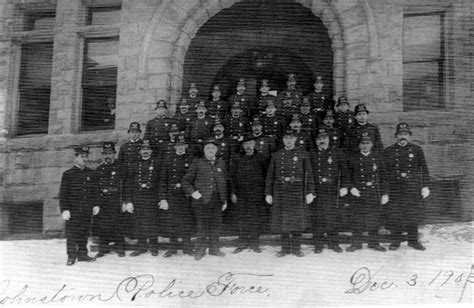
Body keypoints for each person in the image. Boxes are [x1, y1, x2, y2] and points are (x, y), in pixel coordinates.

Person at [265, 129, 315, 257]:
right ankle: (285, 249)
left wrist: (310, 192)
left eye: (291, 138)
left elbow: (308, 174)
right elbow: (270, 175)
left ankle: (296, 248)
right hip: (281, 189)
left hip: (297, 190)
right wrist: (268, 193)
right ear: (283, 140)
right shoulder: (277, 155)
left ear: (295, 139)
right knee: (283, 220)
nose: (288, 140)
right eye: (286, 138)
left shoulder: (303, 154)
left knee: (297, 220)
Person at [383, 122, 430, 251]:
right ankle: (395, 241)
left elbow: (424, 169)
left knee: (412, 215)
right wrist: (385, 191)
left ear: (409, 136)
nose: (402, 136)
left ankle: (413, 240)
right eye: (400, 134)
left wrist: (425, 186)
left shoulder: (416, 150)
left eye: (405, 134)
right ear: (396, 136)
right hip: (395, 188)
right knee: (395, 215)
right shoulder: (388, 151)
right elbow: (384, 173)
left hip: (412, 188)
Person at [183, 138, 228, 260]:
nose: (210, 150)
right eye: (208, 148)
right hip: (202, 201)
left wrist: (224, 200)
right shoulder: (197, 162)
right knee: (202, 226)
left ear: (217, 150)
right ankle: (200, 251)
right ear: (204, 150)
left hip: (217, 200)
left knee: (216, 226)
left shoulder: (221, 163)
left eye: (213, 148)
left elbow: (224, 182)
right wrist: (193, 193)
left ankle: (214, 249)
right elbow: (186, 181)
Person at [342, 133, 389, 252]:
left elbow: (384, 177)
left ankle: (374, 243)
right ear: (358, 145)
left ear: (372, 144)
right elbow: (347, 175)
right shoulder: (352, 158)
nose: (365, 146)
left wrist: (385, 193)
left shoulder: (377, 158)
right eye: (362, 143)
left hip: (373, 192)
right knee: (357, 218)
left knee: (374, 218)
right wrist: (351, 187)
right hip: (358, 192)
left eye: (367, 143)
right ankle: (356, 243)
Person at [59, 145, 98, 266]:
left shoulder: (91, 173)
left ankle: (82, 254)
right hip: (73, 210)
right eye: (82, 157)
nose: (84, 159)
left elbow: (95, 191)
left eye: (86, 157)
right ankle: (71, 256)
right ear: (76, 157)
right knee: (72, 234)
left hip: (86, 209)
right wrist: (64, 209)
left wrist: (96, 205)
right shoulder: (68, 174)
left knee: (84, 232)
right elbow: (63, 193)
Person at [309, 128, 346, 253]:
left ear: (329, 140)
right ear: (315, 141)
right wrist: (310, 191)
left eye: (324, 139)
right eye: (319, 139)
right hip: (317, 189)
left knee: (332, 217)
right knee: (317, 218)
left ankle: (333, 243)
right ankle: (318, 244)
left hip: (332, 189)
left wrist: (344, 186)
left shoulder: (337, 153)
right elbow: (307, 173)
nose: (322, 141)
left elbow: (344, 171)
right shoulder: (311, 154)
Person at [230, 134, 268, 253]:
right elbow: (230, 177)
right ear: (242, 145)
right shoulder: (236, 158)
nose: (248, 146)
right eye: (246, 144)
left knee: (255, 219)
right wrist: (232, 193)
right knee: (242, 218)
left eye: (250, 143)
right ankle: (242, 242)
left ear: (254, 144)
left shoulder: (261, 158)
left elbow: (267, 176)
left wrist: (265, 193)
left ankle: (254, 243)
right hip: (240, 193)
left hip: (256, 194)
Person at [159, 133, 195, 257]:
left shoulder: (191, 160)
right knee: (172, 222)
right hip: (172, 195)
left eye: (183, 145)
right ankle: (172, 248)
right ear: (174, 147)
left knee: (186, 221)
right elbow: (163, 180)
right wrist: (163, 198)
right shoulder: (168, 160)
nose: (180, 147)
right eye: (178, 145)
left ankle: (187, 247)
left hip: (186, 195)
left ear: (186, 146)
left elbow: (195, 179)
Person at [123, 140, 161, 257]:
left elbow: (161, 182)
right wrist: (129, 201)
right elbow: (129, 183)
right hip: (138, 196)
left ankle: (154, 247)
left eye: (147, 149)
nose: (145, 152)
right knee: (138, 222)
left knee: (152, 221)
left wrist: (161, 198)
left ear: (151, 151)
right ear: (140, 151)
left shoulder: (157, 163)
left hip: (151, 196)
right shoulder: (134, 164)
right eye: (143, 149)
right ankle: (141, 247)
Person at [94, 142, 125, 258]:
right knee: (103, 225)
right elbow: (96, 188)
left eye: (110, 153)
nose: (108, 156)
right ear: (103, 155)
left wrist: (125, 201)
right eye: (106, 153)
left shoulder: (121, 167)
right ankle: (103, 248)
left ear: (114, 154)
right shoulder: (99, 169)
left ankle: (120, 248)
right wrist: (96, 203)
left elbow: (126, 185)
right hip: (103, 201)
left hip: (116, 200)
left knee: (118, 224)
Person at [117, 121, 143, 239]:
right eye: (132, 132)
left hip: (140, 178)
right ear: (129, 133)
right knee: (128, 205)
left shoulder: (144, 146)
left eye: (136, 132)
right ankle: (130, 235)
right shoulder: (124, 147)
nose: (134, 134)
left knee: (139, 206)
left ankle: (141, 235)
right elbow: (120, 164)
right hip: (127, 179)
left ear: (140, 133)